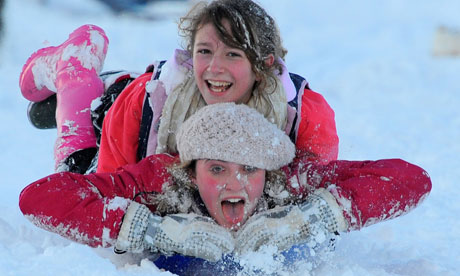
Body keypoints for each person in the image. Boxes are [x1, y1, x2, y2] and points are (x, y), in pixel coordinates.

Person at [19, 103, 431, 275]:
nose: (235, 183)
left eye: (248, 168)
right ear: (193, 169)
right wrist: (149, 229)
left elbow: (411, 179)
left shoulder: (288, 182)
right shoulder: (163, 178)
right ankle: (77, 84)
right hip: (102, 138)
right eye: (217, 168)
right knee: (78, 147)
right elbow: (39, 197)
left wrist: (313, 216)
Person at [18, 0, 339, 175]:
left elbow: (317, 196)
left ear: (265, 64)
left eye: (232, 54)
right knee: (60, 147)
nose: (214, 67)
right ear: (190, 54)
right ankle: (75, 63)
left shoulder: (305, 116)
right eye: (204, 51)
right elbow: (104, 191)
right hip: (117, 107)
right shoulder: (144, 101)